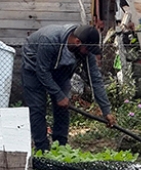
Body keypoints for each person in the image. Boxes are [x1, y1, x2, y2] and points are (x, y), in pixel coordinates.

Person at [21, 23, 115, 152]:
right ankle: (42, 150)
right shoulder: (50, 39)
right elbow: (42, 72)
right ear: (77, 42)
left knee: (63, 106)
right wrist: (58, 95)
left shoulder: (85, 51)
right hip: (34, 68)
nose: (89, 53)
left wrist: (106, 110)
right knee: (37, 108)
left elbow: (96, 80)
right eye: (87, 49)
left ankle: (61, 147)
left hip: (60, 70)